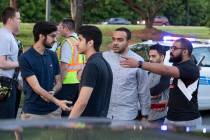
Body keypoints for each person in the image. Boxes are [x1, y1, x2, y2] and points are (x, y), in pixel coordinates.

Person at [120, 38, 202, 127]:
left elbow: (166, 70)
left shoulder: (189, 68)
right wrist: (168, 102)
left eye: (174, 48)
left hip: (187, 120)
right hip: (171, 118)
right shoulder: (179, 67)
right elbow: (180, 93)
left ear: (185, 51)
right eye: (171, 48)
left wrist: (139, 64)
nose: (171, 51)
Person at [19, 21, 71, 120]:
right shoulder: (25, 58)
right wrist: (58, 102)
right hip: (33, 113)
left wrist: (53, 91)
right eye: (52, 36)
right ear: (41, 36)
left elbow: (59, 83)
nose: (55, 40)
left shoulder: (52, 55)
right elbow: (36, 87)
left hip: (54, 112)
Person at [103, 27, 150, 120]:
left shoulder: (138, 60)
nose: (115, 43)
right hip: (105, 113)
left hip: (127, 115)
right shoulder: (104, 57)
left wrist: (145, 114)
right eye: (114, 39)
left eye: (120, 40)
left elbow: (143, 89)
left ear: (129, 42)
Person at [69, 25, 113, 118]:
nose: (76, 43)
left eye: (80, 39)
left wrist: (70, 122)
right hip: (99, 123)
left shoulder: (92, 65)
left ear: (90, 43)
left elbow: (82, 102)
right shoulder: (103, 61)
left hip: (88, 126)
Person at [55, 18, 85, 117]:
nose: (58, 29)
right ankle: (73, 131)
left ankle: (67, 131)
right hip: (77, 81)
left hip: (67, 82)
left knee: (65, 111)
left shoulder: (67, 43)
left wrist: (59, 81)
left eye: (60, 27)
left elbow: (64, 65)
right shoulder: (78, 41)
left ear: (65, 27)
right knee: (73, 111)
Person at [0, 7, 21, 119]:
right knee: (5, 124)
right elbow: (2, 63)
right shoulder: (4, 36)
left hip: (8, 83)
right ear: (10, 20)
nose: (20, 21)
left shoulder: (8, 35)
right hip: (4, 84)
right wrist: (21, 63)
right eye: (18, 18)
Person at [147, 44, 170, 123]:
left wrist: (146, 93)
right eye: (149, 56)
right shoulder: (149, 71)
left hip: (160, 117)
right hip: (147, 116)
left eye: (154, 56)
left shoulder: (167, 72)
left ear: (162, 57)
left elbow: (155, 91)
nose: (150, 59)